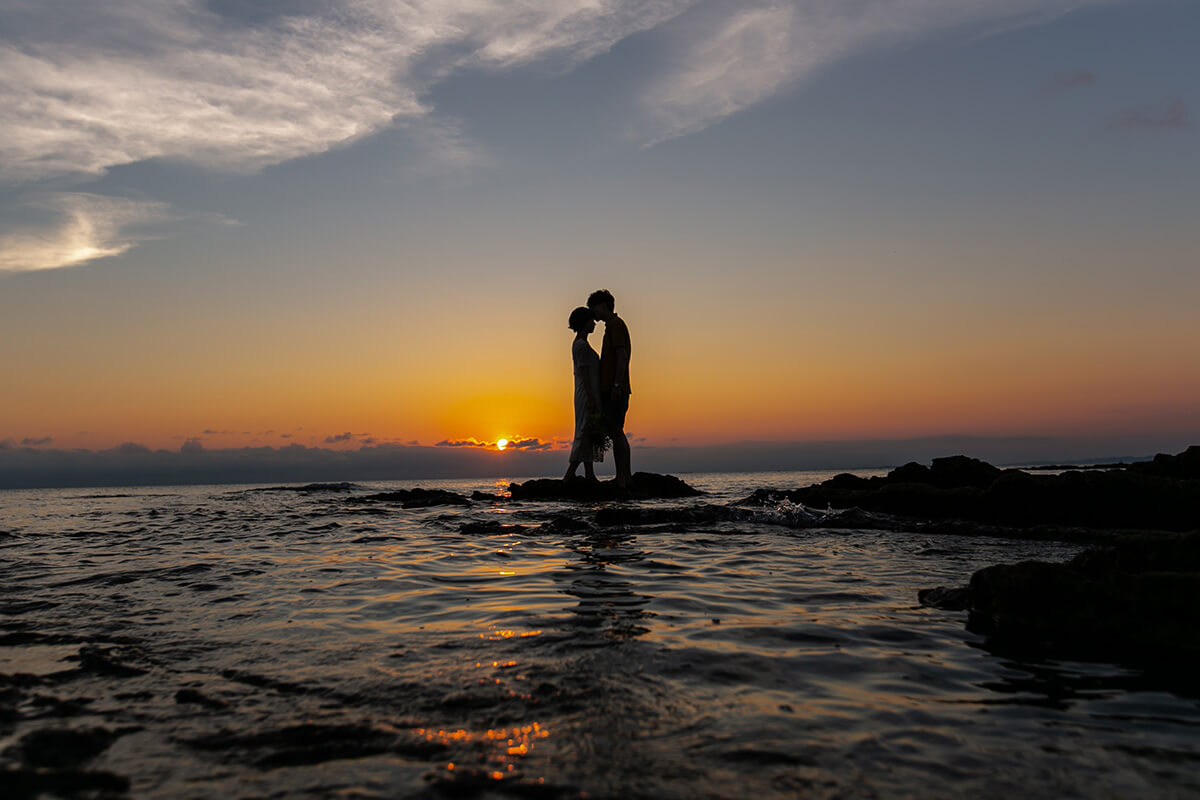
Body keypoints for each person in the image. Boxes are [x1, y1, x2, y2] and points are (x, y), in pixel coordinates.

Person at [587, 289, 632, 487]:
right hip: (612, 387)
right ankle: (622, 475)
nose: (592, 312)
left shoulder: (615, 325)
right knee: (615, 431)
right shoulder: (611, 326)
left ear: (603, 305)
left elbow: (622, 355)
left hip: (616, 388)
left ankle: (623, 476)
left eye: (593, 307)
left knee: (616, 431)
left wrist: (615, 384)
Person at [564, 306, 602, 481]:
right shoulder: (580, 345)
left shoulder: (582, 343)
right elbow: (584, 373)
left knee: (590, 431)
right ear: (584, 323)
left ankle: (589, 474)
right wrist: (592, 398)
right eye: (591, 321)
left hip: (588, 391)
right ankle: (570, 475)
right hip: (586, 392)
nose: (594, 323)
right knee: (584, 430)